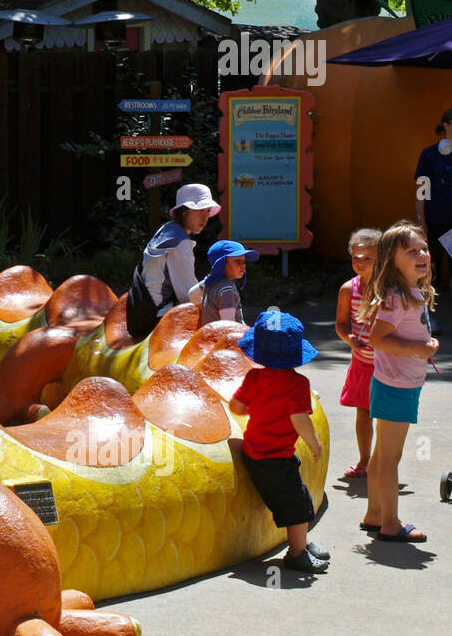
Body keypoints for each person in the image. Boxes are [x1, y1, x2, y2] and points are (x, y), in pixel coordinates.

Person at [228, 308, 328, 573]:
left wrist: (259, 409)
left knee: (294, 499)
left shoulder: (253, 378)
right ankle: (296, 553)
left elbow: (236, 407)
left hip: (254, 452)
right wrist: (314, 444)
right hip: (276, 457)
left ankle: (302, 543)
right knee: (298, 504)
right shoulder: (297, 384)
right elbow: (299, 419)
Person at [358, 221, 437, 543]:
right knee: (390, 458)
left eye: (424, 248)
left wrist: (422, 347)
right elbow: (378, 338)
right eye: (412, 251)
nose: (422, 255)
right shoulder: (398, 297)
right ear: (392, 260)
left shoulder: (408, 293)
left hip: (396, 383)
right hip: (397, 385)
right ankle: (390, 522)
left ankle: (375, 513)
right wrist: (419, 349)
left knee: (381, 455)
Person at [125, 182, 218, 340]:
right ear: (183, 212)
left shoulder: (166, 230)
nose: (205, 217)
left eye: (207, 211)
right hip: (156, 319)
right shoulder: (180, 242)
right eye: (199, 210)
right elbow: (188, 295)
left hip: (138, 314)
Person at [333, 228, 380, 481]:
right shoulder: (347, 290)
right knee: (363, 413)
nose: (359, 263)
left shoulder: (390, 289)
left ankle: (384, 461)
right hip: (362, 364)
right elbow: (341, 324)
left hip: (388, 365)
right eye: (355, 258)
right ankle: (364, 460)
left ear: (382, 258)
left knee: (386, 415)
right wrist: (350, 339)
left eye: (367, 258)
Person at [414, 108, 452, 331]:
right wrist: (420, 219)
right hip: (436, 220)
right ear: (446, 125)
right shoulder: (429, 155)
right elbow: (421, 188)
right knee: (431, 272)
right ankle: (429, 319)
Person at [193, 239, 258, 327]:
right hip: (224, 338)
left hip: (208, 335)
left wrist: (206, 312)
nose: (243, 266)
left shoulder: (208, 281)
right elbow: (228, 326)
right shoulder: (227, 289)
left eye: (243, 261)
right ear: (221, 264)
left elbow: (192, 294)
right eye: (237, 261)